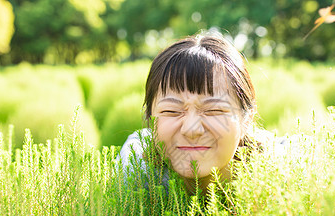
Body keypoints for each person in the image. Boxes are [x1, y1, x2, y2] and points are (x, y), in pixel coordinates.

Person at [118, 32, 288, 195]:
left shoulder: (285, 176)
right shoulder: (136, 171)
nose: (191, 129)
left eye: (213, 110)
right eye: (171, 111)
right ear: (150, 117)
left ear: (247, 119)